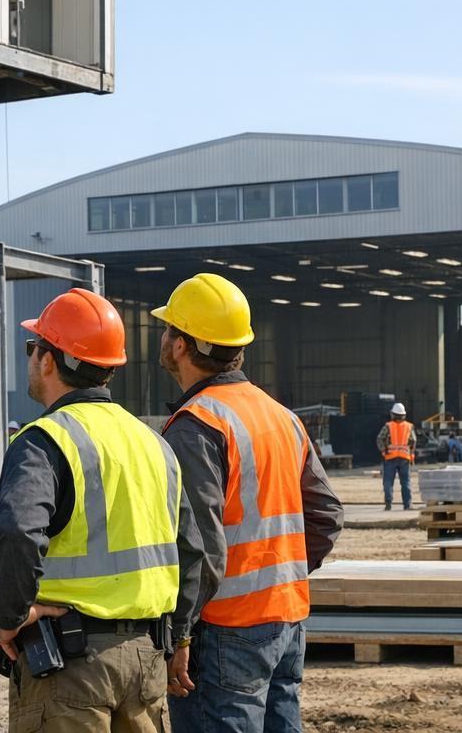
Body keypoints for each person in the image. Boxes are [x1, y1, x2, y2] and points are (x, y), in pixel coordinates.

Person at [0, 288, 198, 733]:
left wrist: (10, 618)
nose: (32, 358)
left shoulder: (43, 439)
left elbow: (17, 532)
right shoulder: (154, 443)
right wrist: (179, 636)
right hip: (146, 660)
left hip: (70, 663)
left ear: (48, 359)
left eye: (34, 347)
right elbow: (192, 551)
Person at [153, 274, 343, 733]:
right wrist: (281, 576)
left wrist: (179, 634)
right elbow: (327, 516)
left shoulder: (196, 425)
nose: (162, 336)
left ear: (181, 345)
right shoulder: (282, 416)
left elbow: (197, 543)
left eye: (167, 328)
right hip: (288, 618)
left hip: (226, 629)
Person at [377, 403, 414, 511]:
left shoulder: (388, 426)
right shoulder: (409, 426)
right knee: (405, 482)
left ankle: (388, 504)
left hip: (390, 457)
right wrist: (411, 454)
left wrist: (383, 451)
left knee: (388, 482)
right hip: (404, 458)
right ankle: (407, 505)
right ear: (403, 415)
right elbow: (413, 441)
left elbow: (379, 438)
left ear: (393, 414)